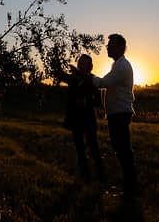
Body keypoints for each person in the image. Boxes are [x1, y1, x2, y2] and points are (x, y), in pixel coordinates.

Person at [92, 33, 138, 199]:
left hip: (119, 114)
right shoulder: (118, 65)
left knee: (123, 151)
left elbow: (103, 83)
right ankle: (130, 187)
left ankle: (130, 190)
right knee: (122, 150)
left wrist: (88, 76)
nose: (107, 48)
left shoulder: (121, 66)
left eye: (110, 45)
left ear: (120, 47)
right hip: (117, 113)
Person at [58, 54, 105, 183]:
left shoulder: (92, 79)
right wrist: (56, 59)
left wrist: (86, 102)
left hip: (89, 118)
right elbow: (61, 76)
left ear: (89, 66)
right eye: (80, 62)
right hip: (75, 118)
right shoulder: (74, 78)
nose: (81, 64)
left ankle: (101, 175)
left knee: (93, 147)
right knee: (79, 147)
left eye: (84, 62)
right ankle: (84, 175)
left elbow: (98, 102)